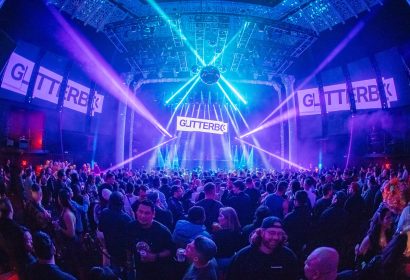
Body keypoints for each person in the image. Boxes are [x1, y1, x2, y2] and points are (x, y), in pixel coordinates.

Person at [226, 216, 298, 280]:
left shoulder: (288, 257)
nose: (276, 237)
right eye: (271, 233)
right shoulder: (243, 256)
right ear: (262, 233)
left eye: (279, 234)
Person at [126, 200, 174, 280]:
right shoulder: (131, 227)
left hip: (158, 272)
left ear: (153, 214)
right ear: (136, 212)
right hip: (139, 270)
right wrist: (129, 261)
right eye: (140, 211)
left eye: (147, 213)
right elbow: (128, 245)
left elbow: (171, 250)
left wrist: (154, 256)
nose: (143, 215)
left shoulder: (162, 231)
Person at [98, 191, 132, 278]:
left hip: (110, 247)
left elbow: (100, 229)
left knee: (114, 271)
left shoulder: (104, 212)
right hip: (123, 252)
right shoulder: (126, 218)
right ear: (121, 202)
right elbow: (129, 241)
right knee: (125, 272)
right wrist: (128, 259)